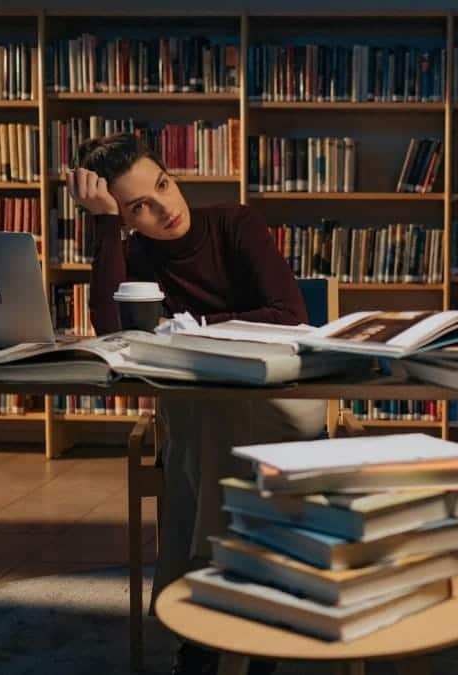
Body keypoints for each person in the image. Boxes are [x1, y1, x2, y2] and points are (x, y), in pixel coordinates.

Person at [70, 133, 325, 675]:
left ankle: (204, 625)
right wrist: (104, 229)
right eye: (139, 206)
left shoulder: (235, 224)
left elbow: (290, 314)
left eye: (163, 185)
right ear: (126, 217)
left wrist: (189, 329)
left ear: (172, 175)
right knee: (207, 418)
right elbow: (114, 334)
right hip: (200, 414)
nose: (164, 208)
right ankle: (253, 619)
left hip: (281, 398)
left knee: (209, 429)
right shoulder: (134, 253)